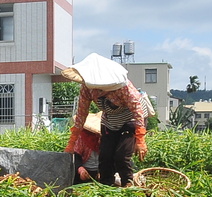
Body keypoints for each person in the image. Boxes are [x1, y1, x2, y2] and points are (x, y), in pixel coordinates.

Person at [64, 53, 149, 187]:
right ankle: (106, 185)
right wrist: (72, 142)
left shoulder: (124, 87)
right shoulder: (87, 88)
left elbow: (138, 112)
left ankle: (128, 184)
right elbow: (81, 114)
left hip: (130, 119)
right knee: (105, 155)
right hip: (109, 120)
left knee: (122, 156)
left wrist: (140, 140)